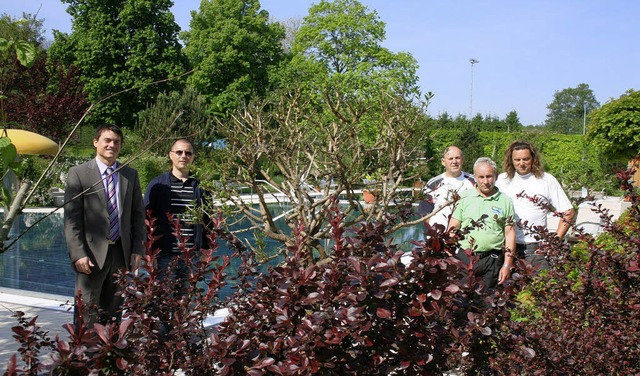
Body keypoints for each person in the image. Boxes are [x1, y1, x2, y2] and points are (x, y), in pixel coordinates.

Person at [64, 124, 146, 324]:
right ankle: (85, 354)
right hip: (91, 255)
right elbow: (72, 219)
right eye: (107, 141)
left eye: (116, 142)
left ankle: (109, 353)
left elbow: (137, 215)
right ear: (95, 143)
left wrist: (137, 249)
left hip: (120, 252)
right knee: (87, 311)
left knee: (114, 310)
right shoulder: (79, 173)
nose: (112, 145)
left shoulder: (130, 175)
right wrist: (78, 254)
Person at [496, 140, 575, 270]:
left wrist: (553, 242)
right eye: (517, 160)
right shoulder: (501, 180)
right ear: (511, 160)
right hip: (507, 246)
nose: (521, 163)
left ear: (533, 159)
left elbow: (568, 212)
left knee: (540, 288)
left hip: (537, 248)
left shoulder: (546, 180)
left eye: (526, 159)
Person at [144, 139, 209, 294]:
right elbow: (146, 219)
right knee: (163, 303)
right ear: (170, 155)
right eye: (179, 152)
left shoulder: (201, 187)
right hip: (165, 256)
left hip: (191, 256)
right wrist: (149, 252)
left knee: (185, 307)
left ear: (193, 157)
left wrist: (206, 249)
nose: (183, 156)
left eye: (188, 153)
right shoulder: (157, 185)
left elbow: (208, 220)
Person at [449, 157, 515, 289]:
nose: (485, 181)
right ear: (474, 177)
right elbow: (453, 228)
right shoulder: (464, 197)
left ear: (496, 176)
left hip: (492, 260)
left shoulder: (505, 201)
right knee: (460, 302)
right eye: (481, 177)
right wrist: (450, 257)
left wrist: (507, 265)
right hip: (465, 258)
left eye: (489, 176)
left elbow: (509, 234)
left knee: (488, 304)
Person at [418, 146, 475, 229]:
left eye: (457, 158)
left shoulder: (473, 181)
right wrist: (435, 230)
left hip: (467, 235)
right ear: (443, 162)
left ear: (462, 160)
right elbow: (424, 211)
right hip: (440, 237)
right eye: (450, 158)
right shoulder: (433, 184)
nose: (454, 161)